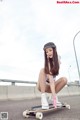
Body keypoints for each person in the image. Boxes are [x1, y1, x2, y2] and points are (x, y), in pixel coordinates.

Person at [37, 42, 67, 109]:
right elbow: (50, 80)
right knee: (42, 70)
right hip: (43, 86)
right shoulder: (47, 62)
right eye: (46, 52)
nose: (48, 53)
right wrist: (48, 62)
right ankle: (43, 98)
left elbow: (53, 81)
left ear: (54, 50)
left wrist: (54, 97)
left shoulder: (57, 62)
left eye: (50, 50)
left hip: (51, 86)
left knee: (64, 79)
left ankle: (53, 97)